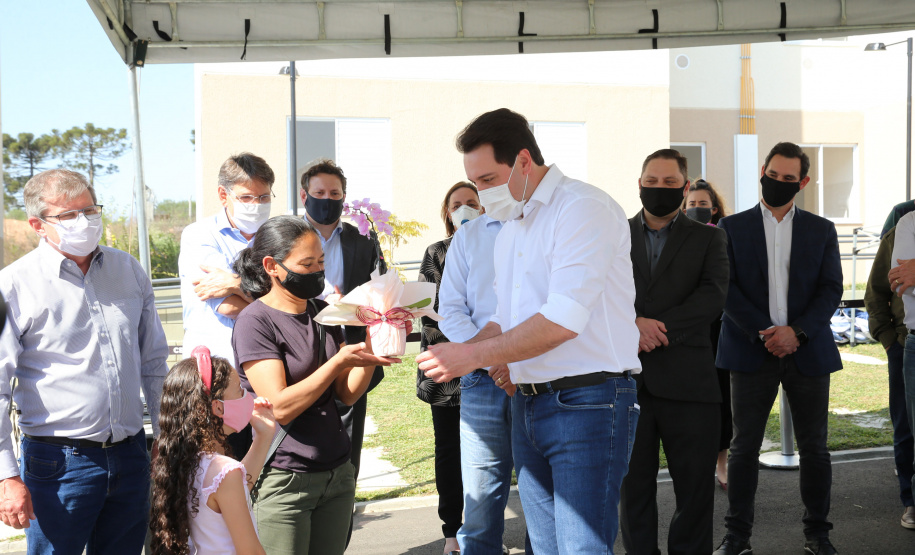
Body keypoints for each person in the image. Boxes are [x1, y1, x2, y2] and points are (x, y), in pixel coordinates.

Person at [418, 108, 642, 554]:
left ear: (523, 161)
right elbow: (508, 317)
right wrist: (477, 350)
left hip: (588, 402)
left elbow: (562, 320)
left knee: (582, 548)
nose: (480, 195)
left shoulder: (583, 208)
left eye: (486, 179)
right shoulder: (514, 226)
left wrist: (471, 356)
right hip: (530, 402)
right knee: (545, 546)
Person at [0, 169, 169, 554]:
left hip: (131, 454)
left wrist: (164, 433)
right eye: (68, 215)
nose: (85, 222)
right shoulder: (12, 285)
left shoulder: (128, 270)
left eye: (90, 211)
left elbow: (154, 361)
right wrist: (5, 476)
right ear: (37, 225)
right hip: (58, 463)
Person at [231, 215, 399, 554]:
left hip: (336, 473)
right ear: (272, 266)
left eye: (320, 262)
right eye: (306, 264)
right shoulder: (256, 322)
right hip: (285, 479)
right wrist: (338, 361)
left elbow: (345, 394)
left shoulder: (323, 312)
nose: (317, 271)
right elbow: (278, 406)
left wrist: (368, 349)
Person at [712, 142, 842, 555]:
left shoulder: (822, 229)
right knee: (743, 448)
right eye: (774, 174)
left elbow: (831, 289)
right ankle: (737, 538)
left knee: (815, 450)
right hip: (751, 352)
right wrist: (768, 332)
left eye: (790, 179)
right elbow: (725, 289)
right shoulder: (731, 228)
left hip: (808, 352)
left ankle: (818, 535)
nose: (780, 183)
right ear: (762, 171)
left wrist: (797, 333)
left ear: (802, 182)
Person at [620, 150, 728, 555]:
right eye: (652, 181)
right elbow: (597, 291)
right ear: (640, 183)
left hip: (690, 384)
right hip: (627, 382)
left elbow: (712, 297)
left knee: (695, 492)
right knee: (632, 492)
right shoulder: (614, 234)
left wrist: (654, 328)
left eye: (669, 183)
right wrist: (632, 324)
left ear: (684, 188)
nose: (659, 189)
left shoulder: (709, 236)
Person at [299, 159, 386, 488]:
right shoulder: (284, 238)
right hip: (301, 351)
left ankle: (343, 515)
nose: (327, 198)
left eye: (334, 192)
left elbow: (379, 291)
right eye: (319, 191)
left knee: (348, 454)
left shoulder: (362, 239)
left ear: (344, 197)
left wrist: (351, 307)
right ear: (305, 195)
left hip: (351, 352)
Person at [150, 348, 277, 555]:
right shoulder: (225, 472)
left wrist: (263, 437)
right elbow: (251, 551)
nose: (247, 395)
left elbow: (236, 492)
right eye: (239, 390)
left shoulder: (190, 462)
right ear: (217, 408)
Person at [416, 181, 482, 555]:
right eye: (457, 204)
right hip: (447, 374)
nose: (464, 209)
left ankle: (481, 528)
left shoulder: (498, 245)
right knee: (450, 453)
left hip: (490, 368)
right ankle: (452, 532)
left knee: (488, 455)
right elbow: (427, 311)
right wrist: (468, 341)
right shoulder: (436, 252)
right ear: (447, 213)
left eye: (472, 202)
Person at [179, 152, 276, 361]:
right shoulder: (199, 235)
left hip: (266, 360)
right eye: (246, 197)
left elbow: (292, 296)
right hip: (214, 363)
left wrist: (235, 282)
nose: (256, 205)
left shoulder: (276, 238)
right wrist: (275, 303)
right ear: (224, 195)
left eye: (264, 197)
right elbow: (228, 306)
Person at [683, 178, 733, 488]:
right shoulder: (674, 239)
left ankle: (722, 463)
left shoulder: (725, 238)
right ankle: (695, 464)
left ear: (714, 209)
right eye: (692, 204)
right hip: (685, 333)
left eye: (703, 205)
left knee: (721, 398)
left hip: (719, 330)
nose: (698, 209)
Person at [865, 224, 915, 529]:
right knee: (906, 425)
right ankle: (910, 500)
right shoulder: (905, 224)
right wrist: (888, 339)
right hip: (905, 343)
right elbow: (876, 291)